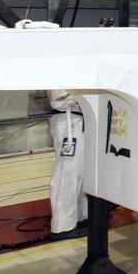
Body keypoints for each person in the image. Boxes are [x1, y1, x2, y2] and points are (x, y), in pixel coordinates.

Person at [47, 90, 87, 238]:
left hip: (81, 120)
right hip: (68, 122)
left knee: (81, 173)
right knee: (67, 173)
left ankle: (81, 215)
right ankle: (63, 225)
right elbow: (58, 98)